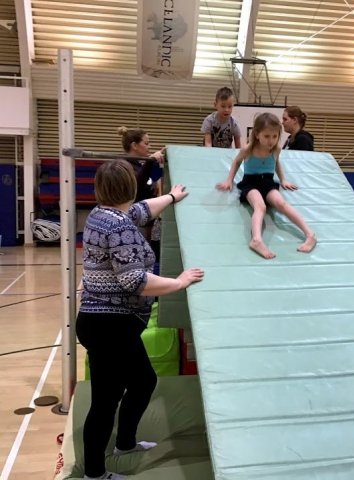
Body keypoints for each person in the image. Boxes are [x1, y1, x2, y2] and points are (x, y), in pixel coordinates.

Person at [76, 160, 204, 480]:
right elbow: (135, 280)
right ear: (130, 188)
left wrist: (171, 197)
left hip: (106, 324)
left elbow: (142, 210)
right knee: (106, 401)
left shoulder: (102, 215)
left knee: (143, 381)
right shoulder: (119, 227)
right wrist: (179, 282)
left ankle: (125, 443)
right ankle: (94, 473)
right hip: (109, 326)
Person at [216, 112, 317, 259]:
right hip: (250, 183)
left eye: (275, 136)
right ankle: (256, 240)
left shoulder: (275, 149)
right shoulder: (248, 149)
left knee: (281, 203)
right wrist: (229, 180)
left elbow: (276, 163)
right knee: (260, 206)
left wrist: (283, 180)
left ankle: (310, 234)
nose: (271, 141)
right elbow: (237, 162)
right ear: (257, 134)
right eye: (267, 136)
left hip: (268, 183)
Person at [118, 126, 164, 254]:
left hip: (145, 218)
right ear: (134, 145)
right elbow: (136, 186)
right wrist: (150, 162)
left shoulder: (140, 165)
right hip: (132, 219)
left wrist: (157, 164)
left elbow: (150, 182)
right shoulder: (123, 165)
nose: (149, 147)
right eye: (146, 143)